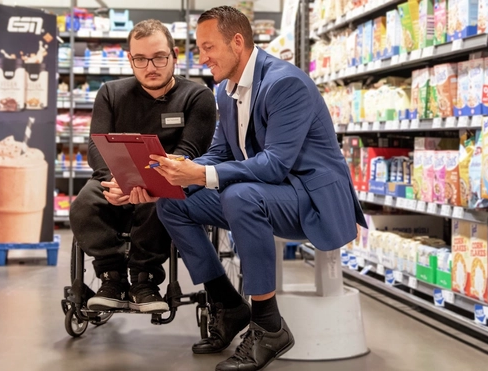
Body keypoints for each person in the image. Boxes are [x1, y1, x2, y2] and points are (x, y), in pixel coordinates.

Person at [126, 6, 365, 370]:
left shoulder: (286, 83)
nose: (201, 57)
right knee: (175, 203)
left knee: (240, 195)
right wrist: (173, 173)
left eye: (208, 47)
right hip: (269, 195)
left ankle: (268, 325)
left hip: (311, 199)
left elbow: (275, 164)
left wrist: (202, 176)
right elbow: (220, 153)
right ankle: (228, 302)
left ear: (237, 42)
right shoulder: (225, 90)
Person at [69, 19, 216, 314]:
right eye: (140, 59)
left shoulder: (198, 96)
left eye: (160, 57)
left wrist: (152, 183)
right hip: (115, 179)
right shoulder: (111, 93)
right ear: (130, 59)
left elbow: (189, 151)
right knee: (85, 203)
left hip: (170, 181)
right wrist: (115, 181)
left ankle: (144, 279)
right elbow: (96, 145)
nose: (151, 66)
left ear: (174, 55)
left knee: (162, 202)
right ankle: (111, 277)